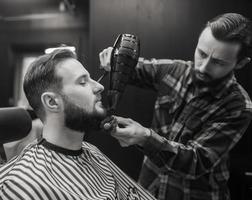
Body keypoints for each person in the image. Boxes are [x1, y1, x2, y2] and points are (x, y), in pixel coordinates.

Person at [0, 49, 156, 200]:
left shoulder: (92, 152)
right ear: (52, 102)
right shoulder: (17, 182)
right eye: (82, 82)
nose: (100, 86)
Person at [99, 13, 252, 200]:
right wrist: (116, 59)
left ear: (241, 63)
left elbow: (196, 162)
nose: (203, 67)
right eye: (202, 54)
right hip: (148, 189)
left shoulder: (238, 106)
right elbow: (133, 67)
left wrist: (146, 138)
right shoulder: (174, 71)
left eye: (218, 62)